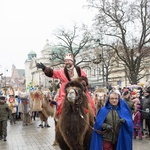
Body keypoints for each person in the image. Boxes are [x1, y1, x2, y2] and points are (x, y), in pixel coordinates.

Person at [36, 54, 95, 119]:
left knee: (90, 102)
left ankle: (92, 119)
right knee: (61, 104)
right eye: (65, 61)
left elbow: (84, 78)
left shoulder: (78, 70)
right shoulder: (61, 71)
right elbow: (53, 73)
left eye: (68, 60)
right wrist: (45, 68)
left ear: (72, 61)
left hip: (78, 91)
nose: (67, 62)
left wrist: (82, 83)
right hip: (66, 92)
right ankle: (59, 119)